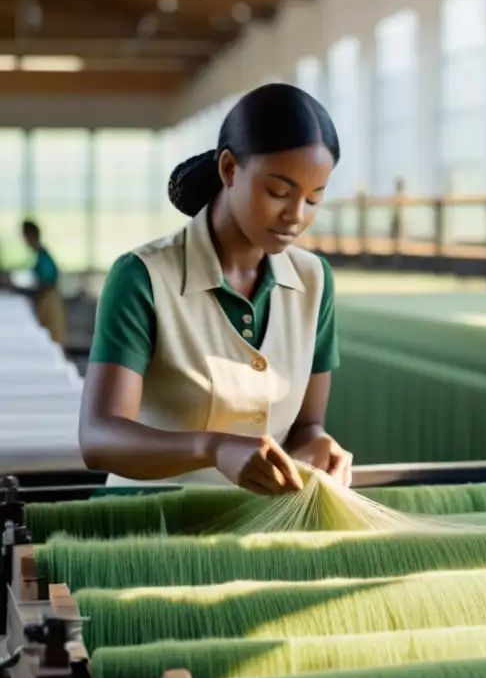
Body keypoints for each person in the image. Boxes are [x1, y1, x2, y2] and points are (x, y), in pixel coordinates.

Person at [79, 83, 353, 494]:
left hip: (254, 533)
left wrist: (316, 442)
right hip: (148, 532)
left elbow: (306, 425)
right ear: (228, 169)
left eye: (313, 199)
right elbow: (99, 437)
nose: (295, 216)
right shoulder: (143, 277)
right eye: (278, 192)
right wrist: (213, 447)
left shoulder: (313, 280)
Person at [20, 219, 69, 348]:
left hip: (49, 299)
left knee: (54, 338)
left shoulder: (43, 256)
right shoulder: (39, 255)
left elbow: (46, 281)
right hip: (44, 299)